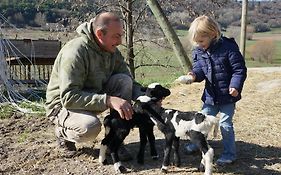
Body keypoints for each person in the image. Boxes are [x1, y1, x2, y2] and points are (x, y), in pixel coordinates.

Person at [45, 12, 143, 159]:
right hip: (63, 105)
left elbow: (128, 80)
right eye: (116, 36)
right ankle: (62, 132)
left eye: (121, 35)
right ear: (99, 34)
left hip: (93, 96)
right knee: (89, 127)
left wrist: (147, 96)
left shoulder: (111, 50)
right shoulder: (75, 52)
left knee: (124, 81)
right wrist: (108, 100)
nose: (120, 41)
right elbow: (68, 97)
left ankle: (114, 141)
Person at [183, 15, 247, 166]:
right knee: (201, 122)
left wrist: (235, 86)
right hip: (210, 96)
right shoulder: (199, 50)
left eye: (201, 41)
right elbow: (199, 68)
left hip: (227, 96)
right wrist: (193, 75)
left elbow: (239, 70)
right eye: (196, 42)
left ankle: (229, 154)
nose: (199, 44)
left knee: (225, 124)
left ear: (213, 34)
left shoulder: (228, 47)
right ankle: (198, 144)